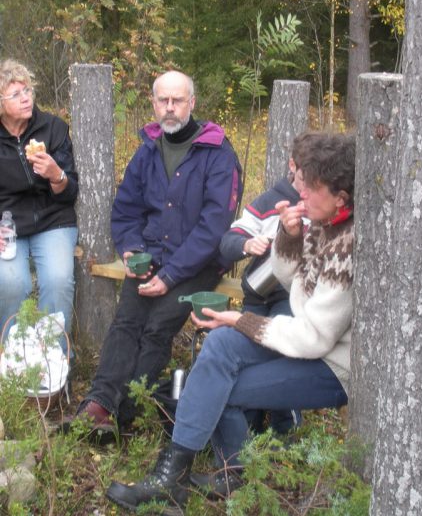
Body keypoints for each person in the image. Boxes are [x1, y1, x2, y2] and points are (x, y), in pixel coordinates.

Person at [105, 132, 355, 512]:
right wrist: (288, 237)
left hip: (332, 365)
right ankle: (182, 474)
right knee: (219, 345)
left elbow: (316, 338)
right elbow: (292, 282)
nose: (302, 192)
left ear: (342, 196)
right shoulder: (322, 221)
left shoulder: (348, 243)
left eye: (313, 186)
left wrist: (243, 320)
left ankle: (227, 473)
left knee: (224, 385)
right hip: (308, 341)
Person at [71, 70, 242, 434]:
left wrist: (169, 276)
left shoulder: (218, 153)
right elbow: (126, 210)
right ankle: (100, 403)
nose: (169, 108)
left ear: (191, 103)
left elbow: (214, 229)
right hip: (151, 256)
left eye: (177, 100)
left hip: (197, 263)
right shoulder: (148, 150)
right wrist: (132, 251)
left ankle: (125, 413)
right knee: (127, 321)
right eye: (162, 100)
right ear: (152, 103)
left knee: (156, 327)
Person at [219, 132, 317, 434]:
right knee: (243, 351)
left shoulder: (320, 204)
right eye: (306, 176)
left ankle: (285, 428)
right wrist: (247, 245)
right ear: (292, 166)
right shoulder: (268, 201)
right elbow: (229, 240)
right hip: (257, 295)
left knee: (279, 354)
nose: (310, 185)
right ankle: (247, 425)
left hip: (293, 298)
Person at [0, 59, 78, 347]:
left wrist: (56, 174)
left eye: (28, 90)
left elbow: (71, 190)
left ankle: (54, 360)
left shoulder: (53, 128)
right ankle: (15, 360)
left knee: (58, 281)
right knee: (11, 284)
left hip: (53, 219)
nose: (26, 98)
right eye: (16, 94)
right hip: (7, 225)